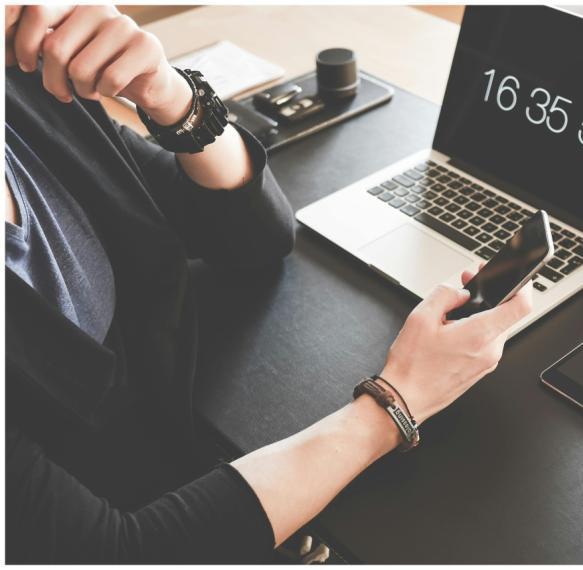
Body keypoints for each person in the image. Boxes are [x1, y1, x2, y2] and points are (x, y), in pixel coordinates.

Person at [5, 5, 533, 563]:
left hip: (184, 444)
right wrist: (399, 401)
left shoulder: (25, 95)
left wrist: (171, 96)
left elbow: (253, 237)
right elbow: (119, 553)